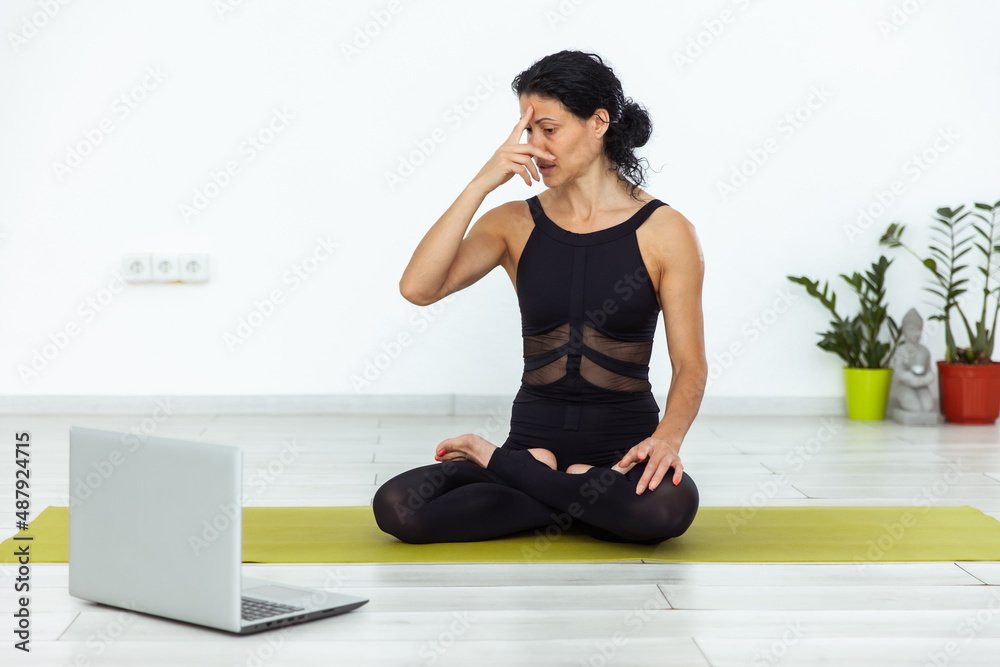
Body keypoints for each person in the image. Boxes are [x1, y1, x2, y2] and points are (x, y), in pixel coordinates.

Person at [372, 50, 706, 545]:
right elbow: (418, 288)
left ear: (598, 123)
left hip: (621, 454)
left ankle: (516, 474)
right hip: (532, 442)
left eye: (548, 129)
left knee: (668, 511)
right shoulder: (513, 223)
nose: (534, 146)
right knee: (397, 505)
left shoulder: (665, 230)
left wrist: (666, 440)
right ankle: (580, 499)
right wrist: (482, 183)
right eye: (528, 131)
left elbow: (690, 367)